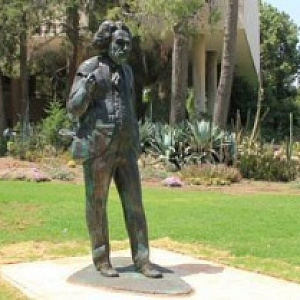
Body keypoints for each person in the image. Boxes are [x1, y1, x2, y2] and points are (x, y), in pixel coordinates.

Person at [67, 20, 162, 278]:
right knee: (96, 204)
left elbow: (130, 108)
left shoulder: (128, 72)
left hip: (126, 147)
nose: (124, 48)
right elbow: (73, 108)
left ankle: (143, 260)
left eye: (128, 44)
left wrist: (136, 141)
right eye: (119, 43)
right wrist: (87, 87)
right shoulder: (90, 68)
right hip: (98, 148)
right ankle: (101, 260)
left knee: (135, 204)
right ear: (107, 42)